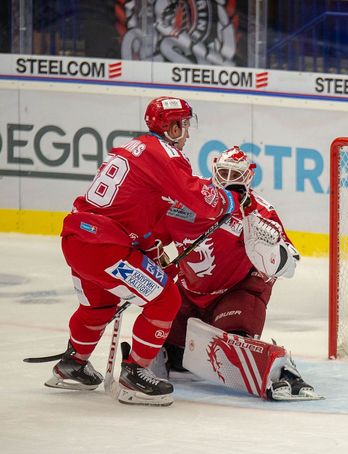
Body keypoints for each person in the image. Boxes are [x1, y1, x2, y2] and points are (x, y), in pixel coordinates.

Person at [48, 96, 239, 406]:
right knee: (166, 299)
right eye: (184, 125)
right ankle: (135, 373)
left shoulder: (132, 148)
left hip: (78, 238)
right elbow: (199, 200)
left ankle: (73, 364)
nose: (187, 133)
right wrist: (227, 201)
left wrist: (150, 249)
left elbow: (133, 210)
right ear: (171, 126)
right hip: (105, 247)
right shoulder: (164, 155)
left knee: (101, 304)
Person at [150, 147, 319, 401]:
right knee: (172, 354)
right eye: (223, 172)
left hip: (236, 291)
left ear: (248, 178)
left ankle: (280, 370)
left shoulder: (260, 211)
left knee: (233, 346)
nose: (228, 179)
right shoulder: (187, 198)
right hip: (189, 293)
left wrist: (270, 252)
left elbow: (289, 264)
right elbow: (153, 238)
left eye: (235, 175)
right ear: (214, 170)